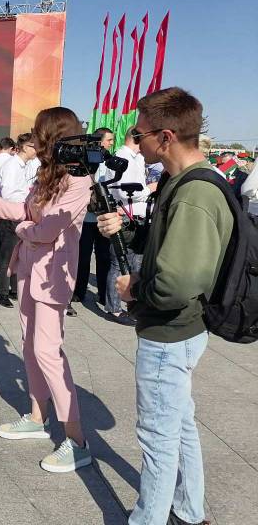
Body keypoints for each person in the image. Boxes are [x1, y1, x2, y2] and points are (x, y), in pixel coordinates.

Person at [97, 88, 231, 525]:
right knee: (181, 425)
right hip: (181, 330)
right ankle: (189, 510)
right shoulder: (182, 182)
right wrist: (127, 230)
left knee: (158, 436)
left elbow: (176, 283)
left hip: (170, 332)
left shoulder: (195, 192)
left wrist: (134, 290)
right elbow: (166, 246)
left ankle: (149, 518)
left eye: (140, 134)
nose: (136, 142)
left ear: (166, 137)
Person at [0, 107, 92, 473]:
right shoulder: (47, 174)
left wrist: (23, 230)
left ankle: (77, 441)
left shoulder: (79, 180)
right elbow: (26, 210)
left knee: (47, 352)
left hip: (53, 276)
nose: (34, 139)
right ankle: (38, 418)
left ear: (54, 136)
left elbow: (44, 230)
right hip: (28, 268)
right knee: (29, 346)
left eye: (39, 133)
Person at [106, 127, 150, 321]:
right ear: (138, 139)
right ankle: (114, 308)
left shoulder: (136, 158)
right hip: (125, 216)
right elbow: (122, 191)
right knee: (119, 263)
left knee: (135, 264)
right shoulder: (122, 157)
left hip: (137, 216)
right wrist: (149, 189)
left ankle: (130, 304)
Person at [0, 132, 38, 308]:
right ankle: (2, 292)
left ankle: (13, 288)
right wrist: (28, 195)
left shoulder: (25, 165)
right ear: (25, 147)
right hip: (9, 215)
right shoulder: (12, 166)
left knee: (17, 254)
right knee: (7, 255)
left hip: (19, 213)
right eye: (34, 146)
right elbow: (8, 193)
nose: (37, 150)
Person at [73, 127, 114, 308]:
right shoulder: (85, 160)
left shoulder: (110, 161)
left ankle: (104, 294)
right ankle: (78, 292)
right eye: (109, 140)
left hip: (103, 217)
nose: (111, 143)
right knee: (83, 256)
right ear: (99, 141)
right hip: (87, 218)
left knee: (104, 257)